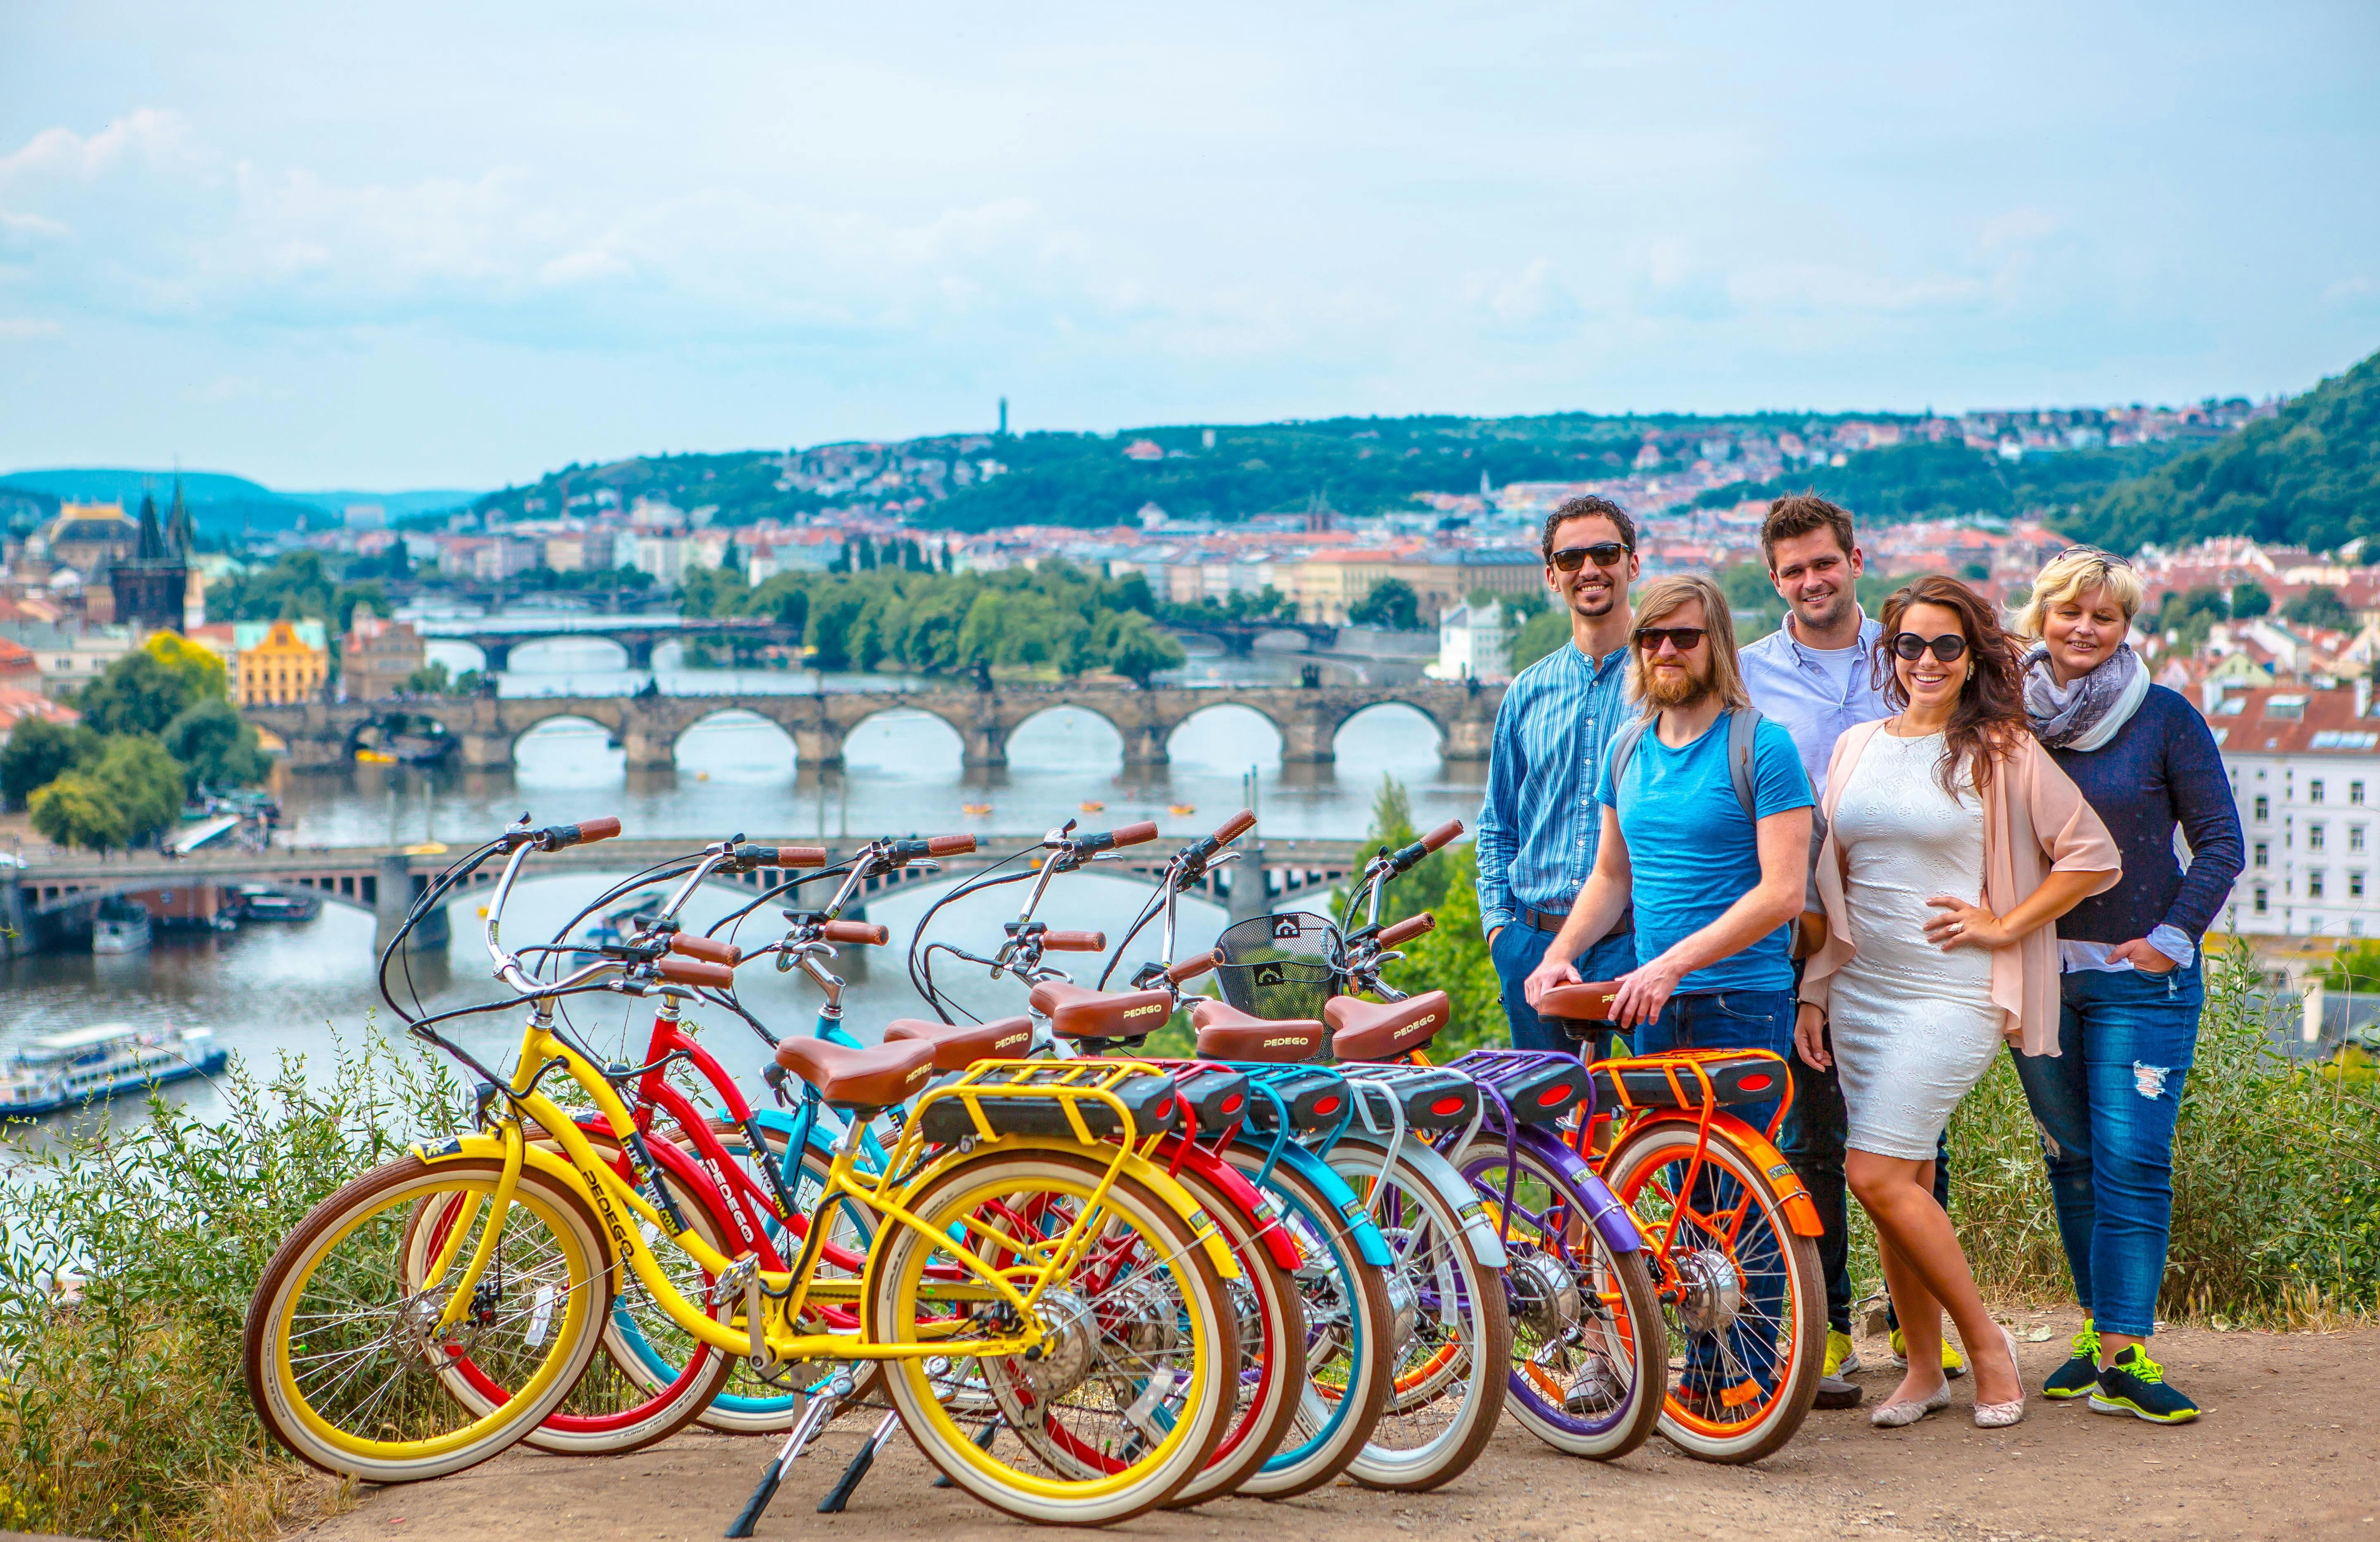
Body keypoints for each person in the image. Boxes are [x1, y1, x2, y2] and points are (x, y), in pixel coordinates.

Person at [1796, 575, 2120, 1431]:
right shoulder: (1858, 745)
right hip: (1864, 991)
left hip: (1954, 990)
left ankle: (1984, 1349)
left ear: (1972, 654)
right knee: (1905, 1178)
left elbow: (2090, 855)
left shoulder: (2003, 748)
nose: (1927, 660)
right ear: (1890, 653)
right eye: (1910, 644)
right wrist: (1816, 991)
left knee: (1871, 1172)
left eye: (1946, 645)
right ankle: (1920, 1369)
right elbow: (1837, 878)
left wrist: (2003, 921)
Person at [1523, 573, 1814, 1407]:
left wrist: (1673, 963)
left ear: (1715, 644)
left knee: (1739, 1197)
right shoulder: (1628, 748)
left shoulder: (1761, 746)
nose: (1665, 652)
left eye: (1682, 637)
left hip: (1737, 998)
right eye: (1652, 639)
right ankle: (1692, 1371)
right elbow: (1611, 876)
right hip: (1653, 1003)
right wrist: (1565, 954)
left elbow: (1782, 892)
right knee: (1671, 1193)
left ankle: (1750, 1381)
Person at [2010, 547, 2243, 1424]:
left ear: (2126, 628)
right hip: (2039, 977)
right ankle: (2096, 1329)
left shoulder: (2165, 719)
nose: (2084, 628)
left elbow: (2221, 842)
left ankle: (2126, 1352)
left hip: (2139, 980)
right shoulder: (2009, 720)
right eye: (2070, 611)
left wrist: (2172, 938)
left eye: (2104, 617)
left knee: (2134, 1161)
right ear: (2042, 616)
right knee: (2070, 1161)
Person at [1739, 493, 1960, 1407]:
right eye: (1792, 571)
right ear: (1774, 579)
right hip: (1806, 928)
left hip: (1906, 920)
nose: (1811, 581)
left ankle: (1926, 1332)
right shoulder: (1747, 673)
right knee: (1816, 1134)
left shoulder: (1910, 653)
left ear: (1854, 560)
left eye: (1824, 563)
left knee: (1919, 1141)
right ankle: (1827, 1329)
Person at [1476, 495, 1642, 1054]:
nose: (1589, 569)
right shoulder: (1527, 691)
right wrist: (1501, 932)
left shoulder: (1671, 683)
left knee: (1657, 1124)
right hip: (1536, 939)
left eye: (1604, 553)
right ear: (1552, 576)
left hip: (1639, 944)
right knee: (1544, 1132)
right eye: (1572, 559)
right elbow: (1498, 825)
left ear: (1632, 565)